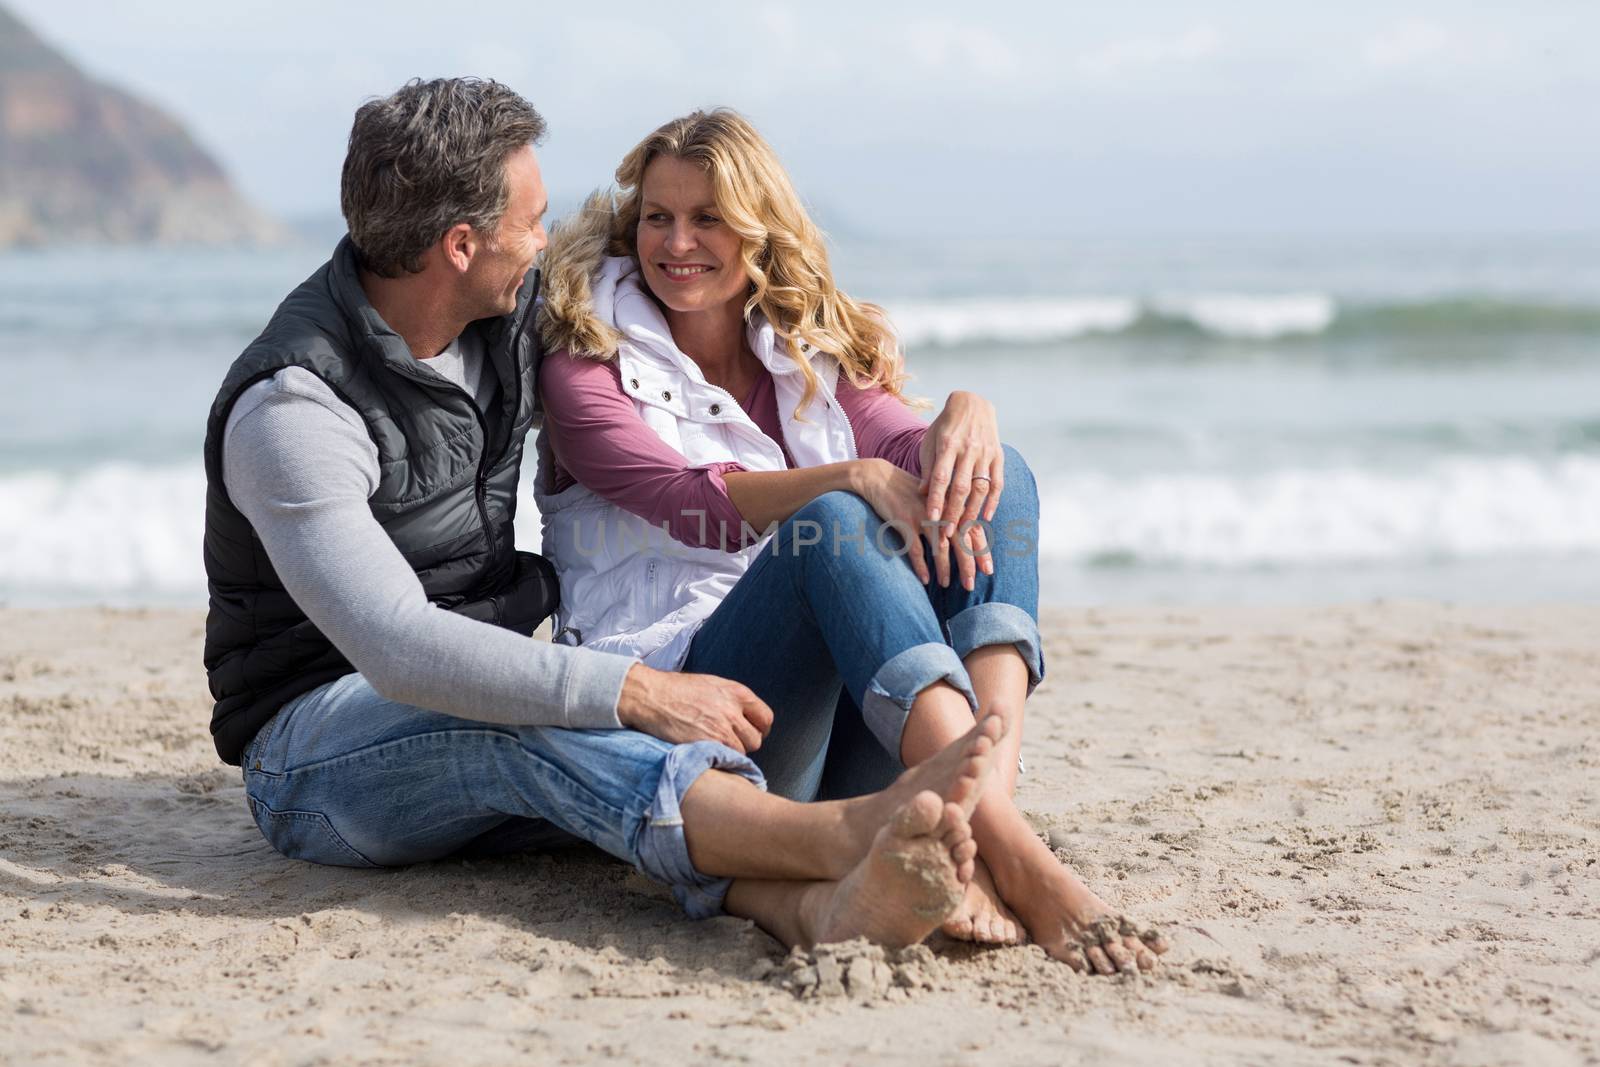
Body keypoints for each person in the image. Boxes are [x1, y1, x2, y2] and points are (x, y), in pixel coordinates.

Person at [202, 76, 1018, 951]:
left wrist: (962, 406)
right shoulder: (295, 408)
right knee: (530, 710)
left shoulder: (505, 318)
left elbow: (709, 290)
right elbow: (399, 647)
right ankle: (843, 841)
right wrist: (636, 690)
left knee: (547, 710)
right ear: (462, 244)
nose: (549, 243)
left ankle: (803, 906)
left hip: (480, 715)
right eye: (533, 221)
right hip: (319, 755)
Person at [535, 109, 1170, 974]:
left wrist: (966, 412)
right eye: (658, 216)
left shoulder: (802, 350)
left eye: (708, 216)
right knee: (832, 521)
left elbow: (918, 459)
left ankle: (971, 832)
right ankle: (1012, 852)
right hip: (713, 718)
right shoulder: (585, 356)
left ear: (758, 229)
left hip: (863, 745)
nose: (677, 241)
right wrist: (845, 478)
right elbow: (686, 502)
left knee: (1001, 477)